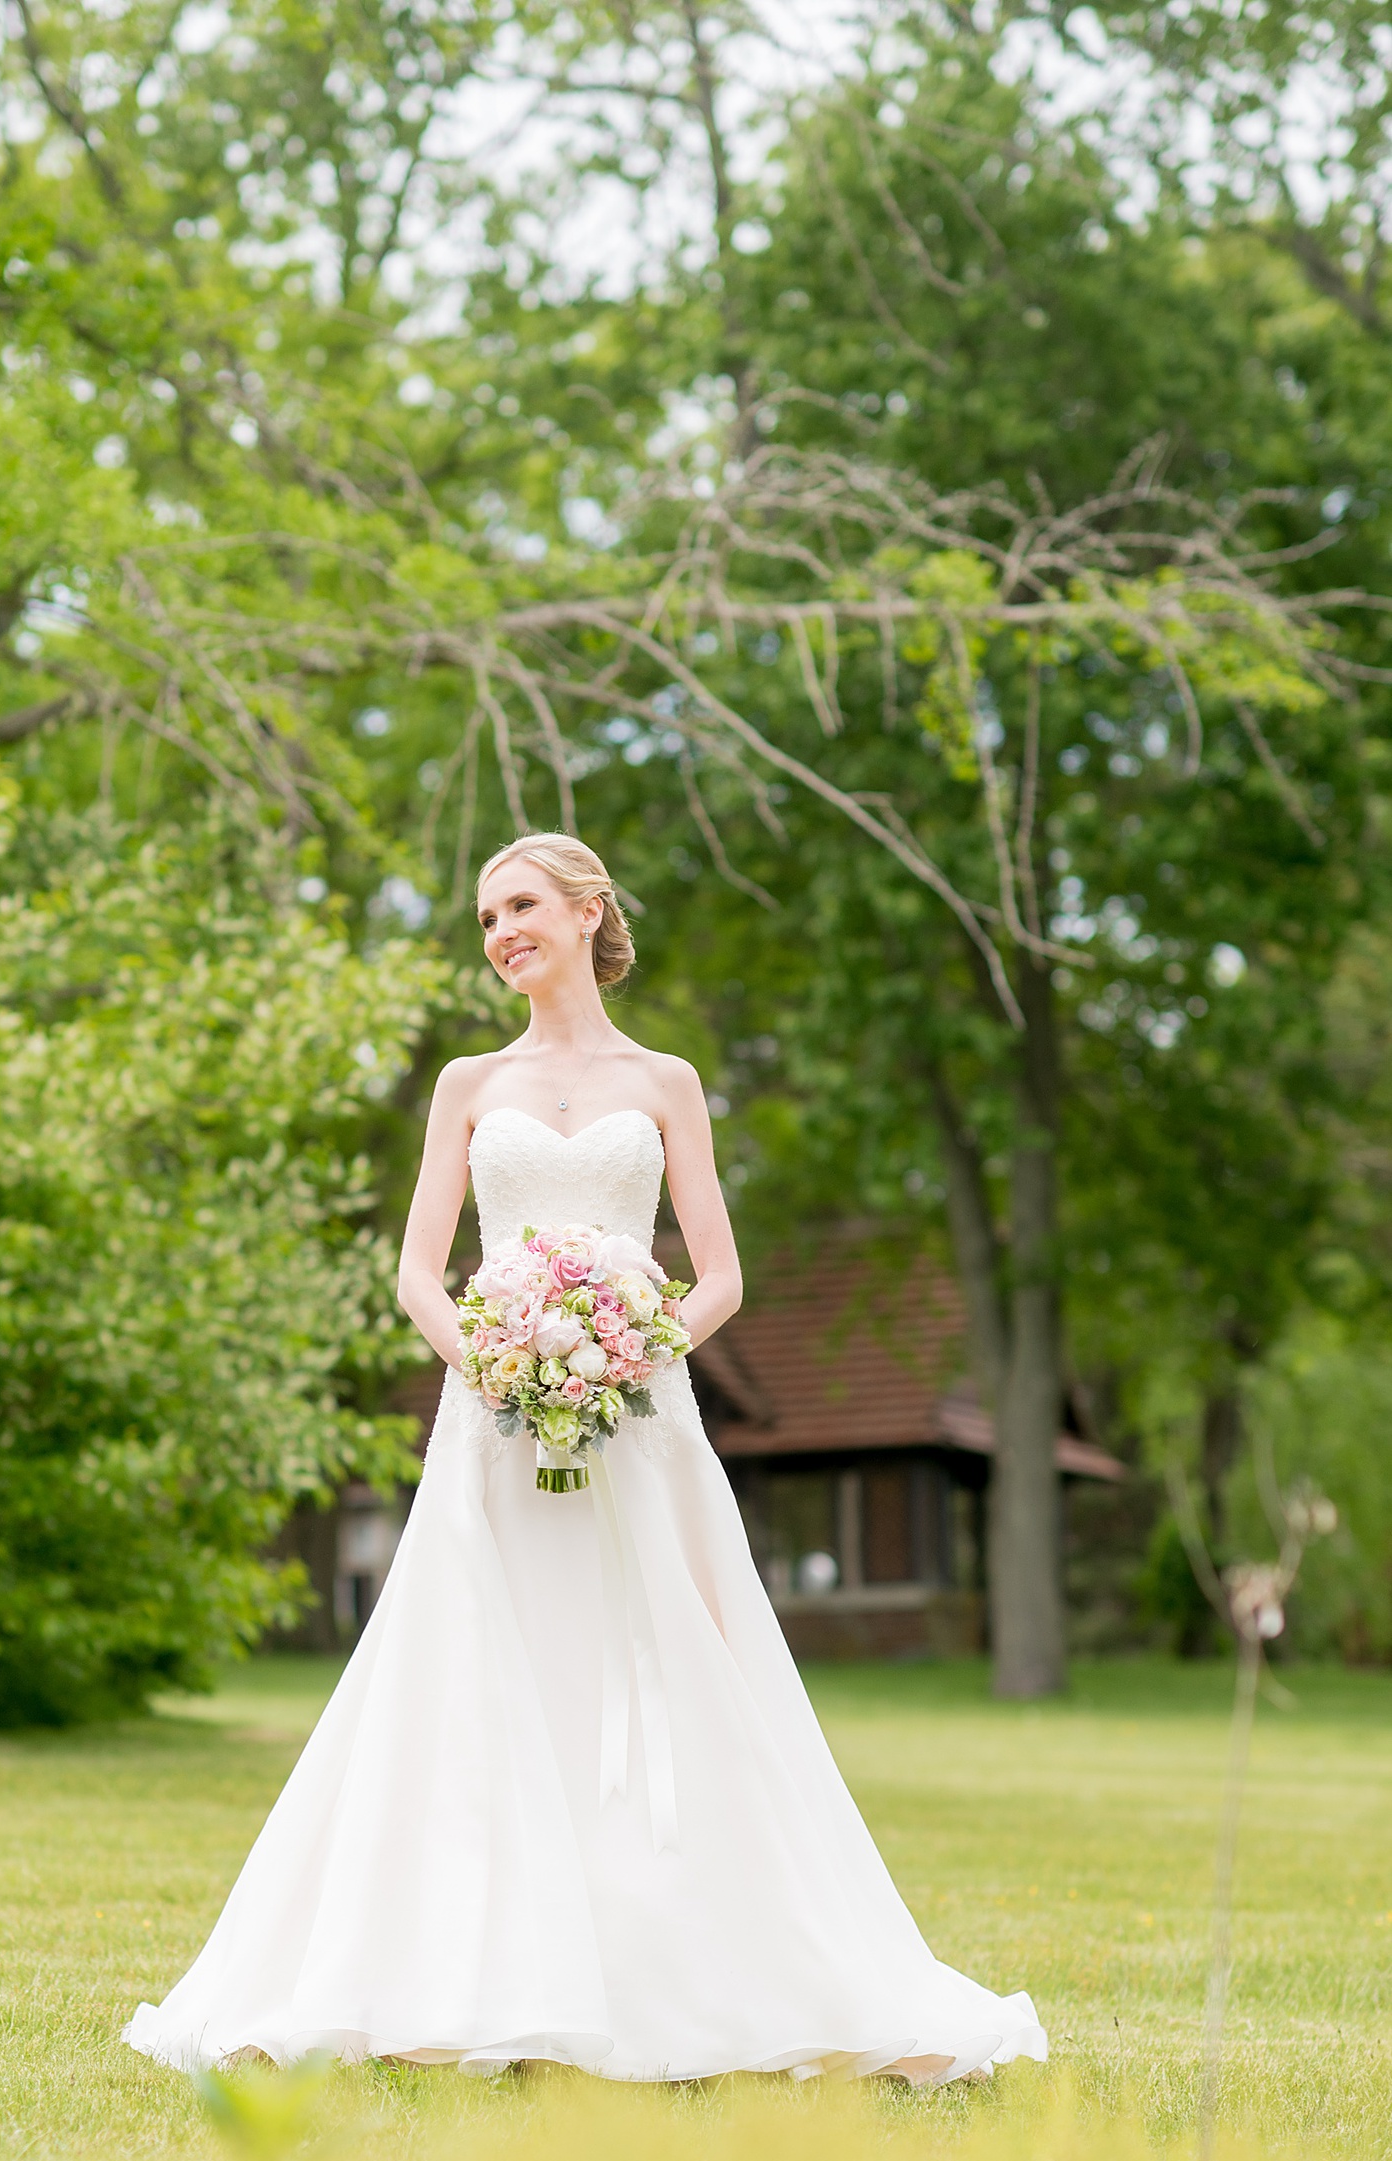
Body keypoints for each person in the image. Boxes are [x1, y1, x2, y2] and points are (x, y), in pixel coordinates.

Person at [125, 834, 1046, 2083]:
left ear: (583, 910)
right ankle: (472, 1967)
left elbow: (719, 1275)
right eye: (484, 916)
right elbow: (413, 1268)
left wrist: (629, 1345)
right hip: (491, 1424)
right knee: (479, 1661)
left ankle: (684, 1968)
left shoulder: (666, 1081)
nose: (499, 931)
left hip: (639, 1422)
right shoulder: (464, 1084)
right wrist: (489, 1359)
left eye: (519, 906)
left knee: (660, 1662)